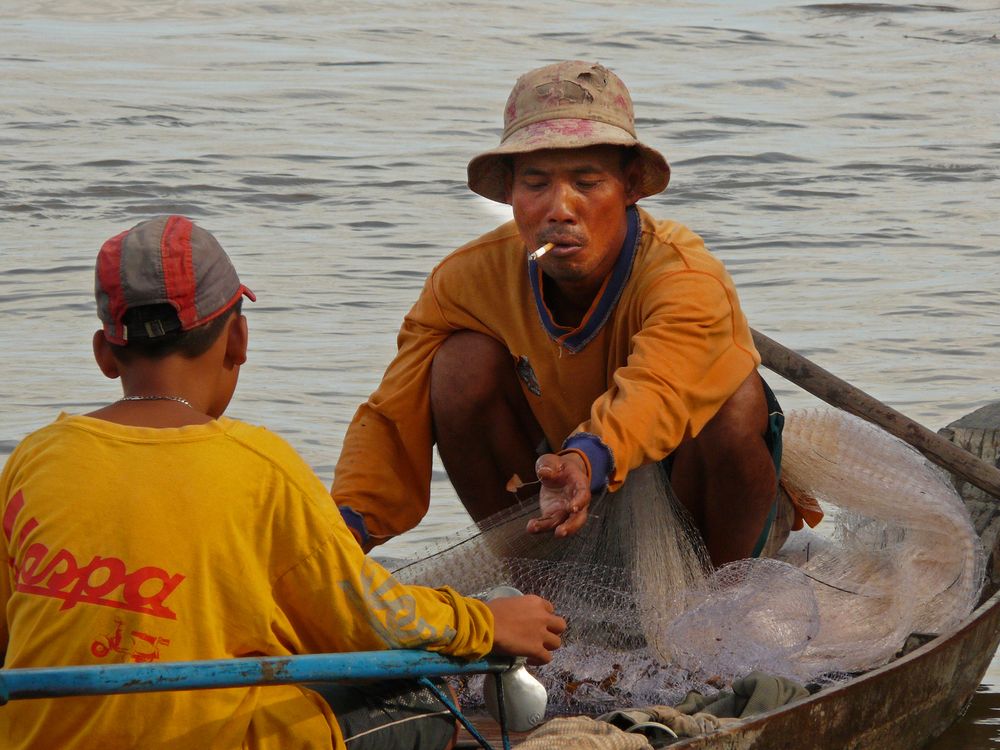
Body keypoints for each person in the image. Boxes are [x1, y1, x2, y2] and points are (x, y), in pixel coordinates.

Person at [0, 215, 565, 750]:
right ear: (238, 340)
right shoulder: (259, 465)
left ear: (105, 354)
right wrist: (484, 622)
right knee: (428, 703)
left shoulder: (36, 458)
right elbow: (373, 621)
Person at [333, 60, 817, 567]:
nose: (559, 210)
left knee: (733, 398)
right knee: (458, 364)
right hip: (565, 491)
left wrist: (588, 456)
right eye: (536, 184)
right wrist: (346, 526)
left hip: (693, 500)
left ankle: (722, 601)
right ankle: (542, 590)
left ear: (630, 187)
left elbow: (658, 389)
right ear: (510, 194)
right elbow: (393, 414)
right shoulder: (466, 280)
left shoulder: (684, 276)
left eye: (587, 182)